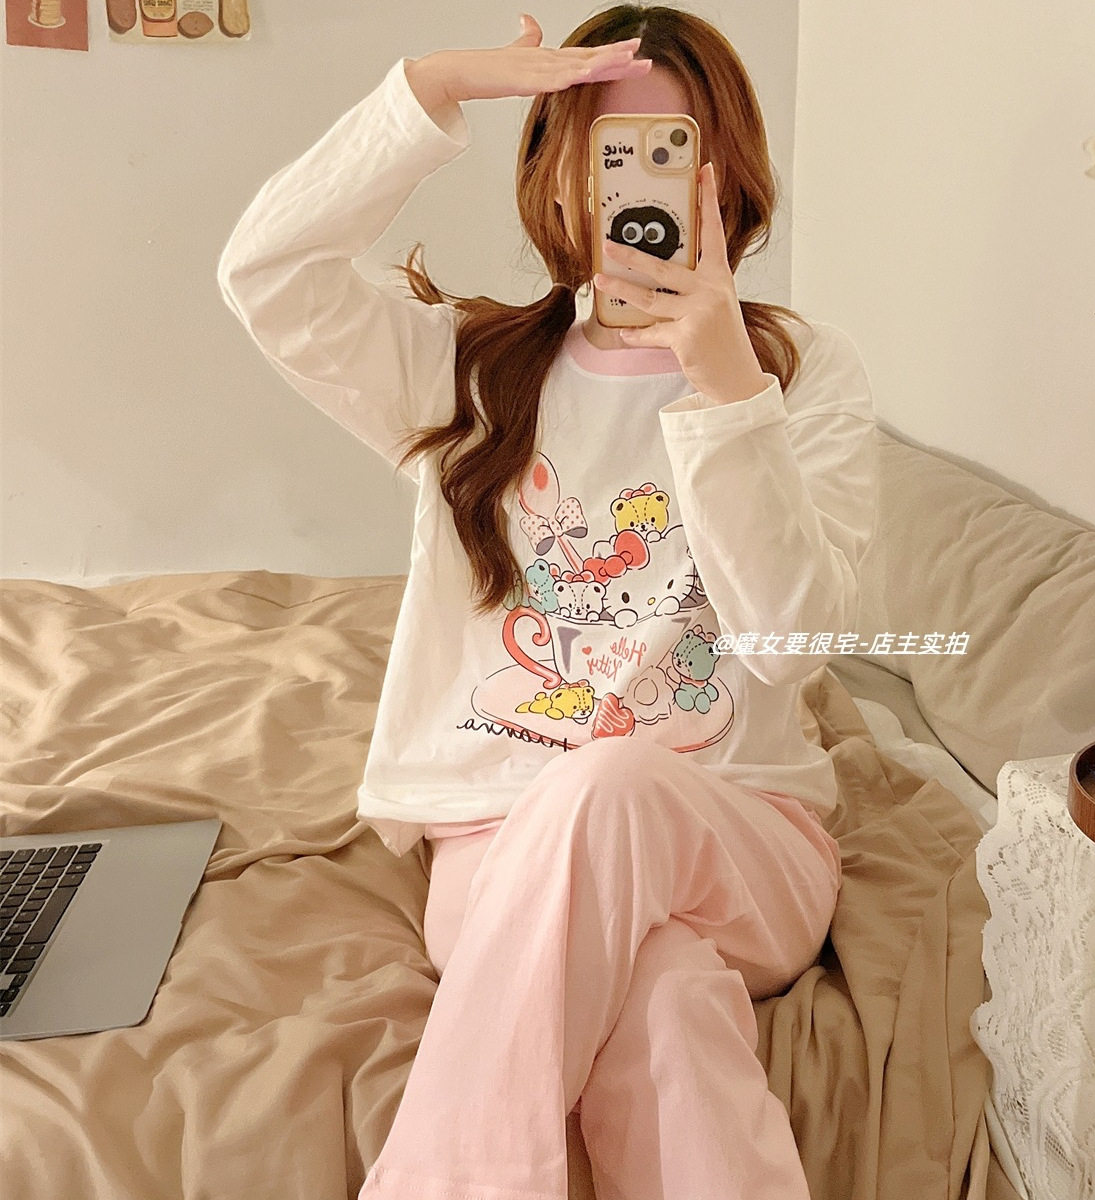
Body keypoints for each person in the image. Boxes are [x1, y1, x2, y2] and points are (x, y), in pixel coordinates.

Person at [217, 5, 877, 1198]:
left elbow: (791, 643)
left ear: (728, 172)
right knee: (663, 1001)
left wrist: (726, 390)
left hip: (743, 831)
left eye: (674, 147)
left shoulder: (798, 370)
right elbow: (266, 275)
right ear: (562, 174)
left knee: (613, 777)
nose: (640, 184)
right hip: (502, 842)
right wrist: (429, 90)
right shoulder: (473, 370)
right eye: (609, 150)